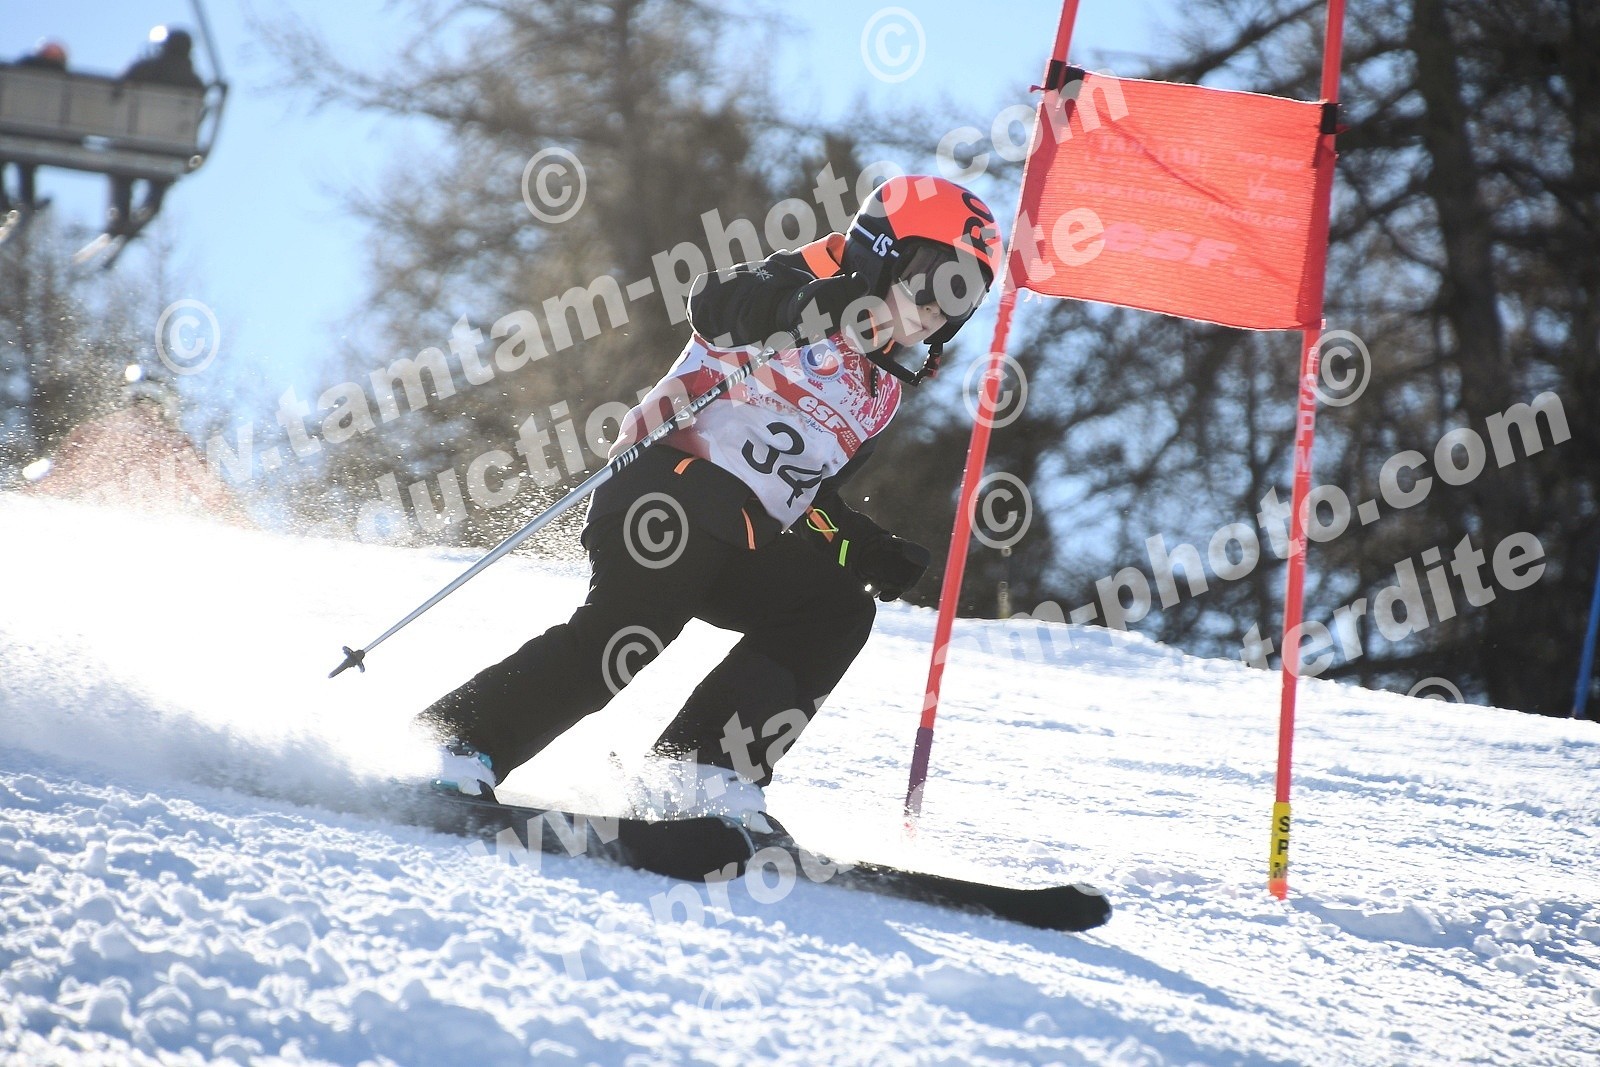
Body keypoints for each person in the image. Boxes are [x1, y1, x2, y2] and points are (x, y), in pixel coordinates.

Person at [417, 174, 1002, 831]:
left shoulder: (880, 391)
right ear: (880, 250)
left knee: (834, 610)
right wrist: (809, 306)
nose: (937, 308)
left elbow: (806, 491)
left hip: (741, 537)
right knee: (629, 634)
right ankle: (457, 741)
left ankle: (699, 774)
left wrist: (859, 544)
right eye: (932, 278)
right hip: (666, 492)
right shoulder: (801, 279)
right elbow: (717, 303)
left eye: (963, 295)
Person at [106, 26, 203, 236]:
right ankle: (148, 210)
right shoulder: (194, 82)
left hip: (133, 141)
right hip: (169, 148)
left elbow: (117, 92)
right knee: (160, 179)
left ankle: (120, 215)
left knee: (123, 175)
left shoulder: (144, 69)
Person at [0, 40, 68, 217]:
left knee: (13, 159)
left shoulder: (22, 67)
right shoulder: (62, 77)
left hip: (12, 126)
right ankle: (26, 201)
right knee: (27, 163)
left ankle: (8, 202)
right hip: (34, 130)